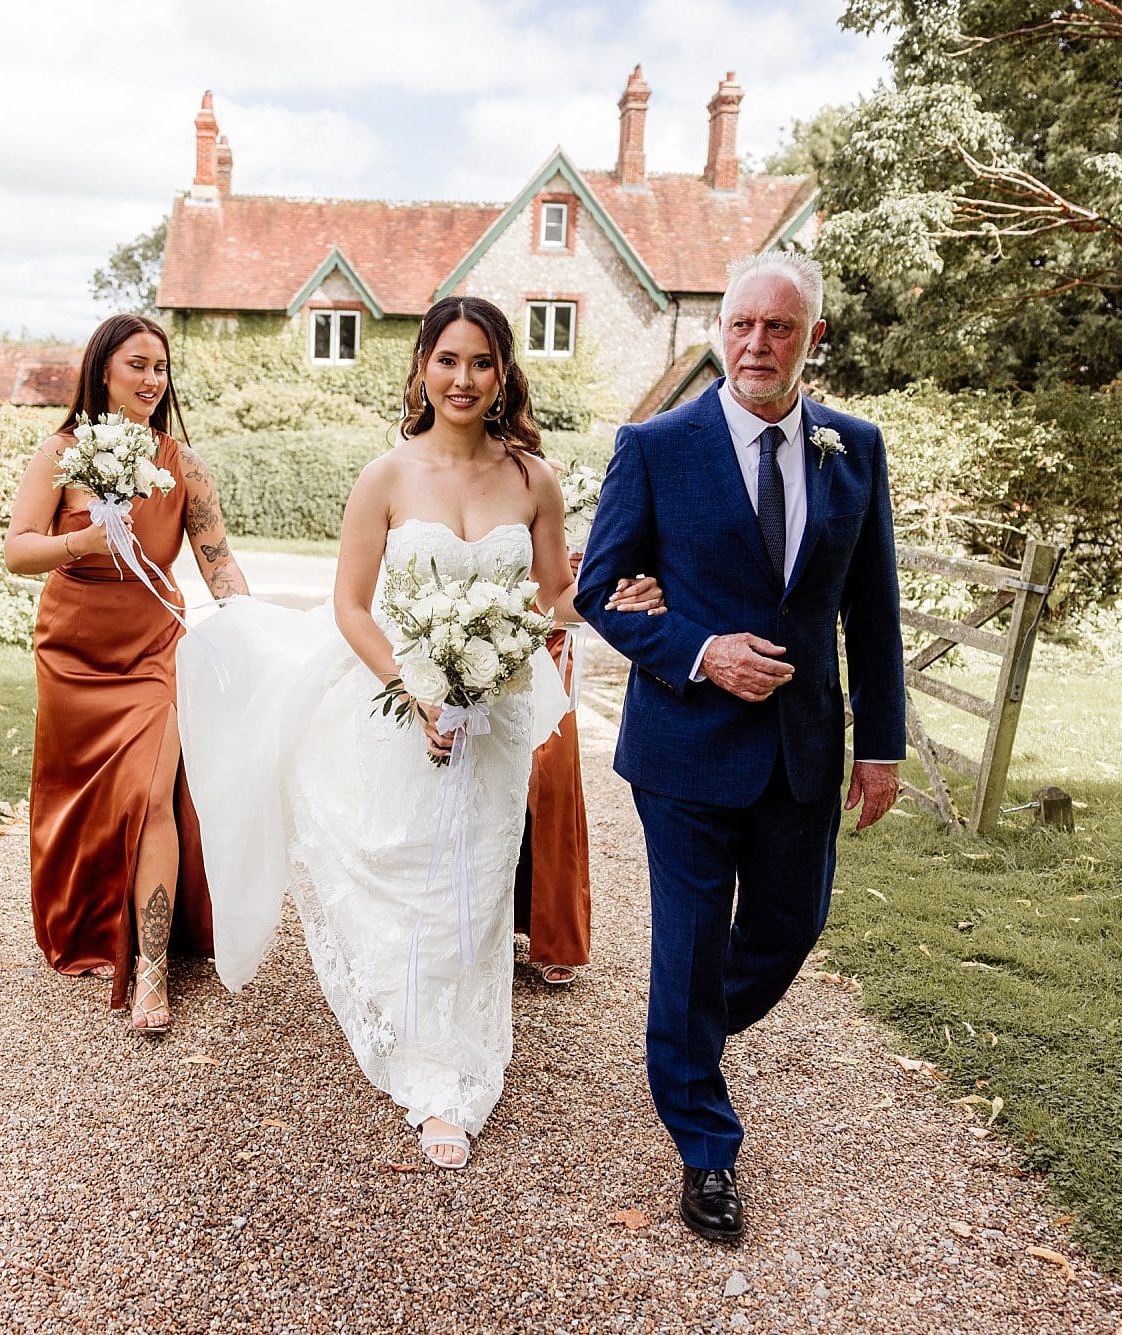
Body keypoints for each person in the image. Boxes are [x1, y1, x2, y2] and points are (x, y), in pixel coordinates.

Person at [177, 297, 663, 1169]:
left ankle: (452, 1074)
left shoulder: (533, 480)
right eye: (448, 361)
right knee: (401, 869)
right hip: (406, 704)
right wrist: (413, 692)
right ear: (422, 369)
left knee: (476, 887)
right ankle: (409, 1025)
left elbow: (552, 596)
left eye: (482, 362)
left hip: (501, 713)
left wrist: (604, 599)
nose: (465, 379)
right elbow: (351, 606)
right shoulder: (386, 478)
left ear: (505, 371)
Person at [574, 251, 905, 1242]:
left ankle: (680, 1033)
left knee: (787, 928)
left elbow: (871, 609)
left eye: (779, 327)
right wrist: (698, 650)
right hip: (683, 749)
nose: (756, 344)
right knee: (685, 943)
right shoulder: (654, 446)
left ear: (809, 338)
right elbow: (599, 590)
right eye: (741, 326)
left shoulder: (854, 447)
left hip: (802, 748)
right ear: (719, 332)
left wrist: (878, 744)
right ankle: (704, 1146)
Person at [4, 313, 250, 1034]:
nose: (151, 379)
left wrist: (246, 623)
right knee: (80, 800)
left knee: (149, 796)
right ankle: (84, 921)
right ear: (103, 370)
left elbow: (217, 559)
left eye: (161, 368)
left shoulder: (183, 465)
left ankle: (150, 973)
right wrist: (83, 536)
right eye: (137, 364)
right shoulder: (61, 451)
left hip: (152, 651)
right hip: (73, 653)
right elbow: (18, 550)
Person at [513, 554, 591, 987]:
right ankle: (489, 920)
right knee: (483, 780)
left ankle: (556, 935)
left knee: (550, 780)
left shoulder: (575, 488)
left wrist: (590, 567)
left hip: (551, 635)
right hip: (482, 619)